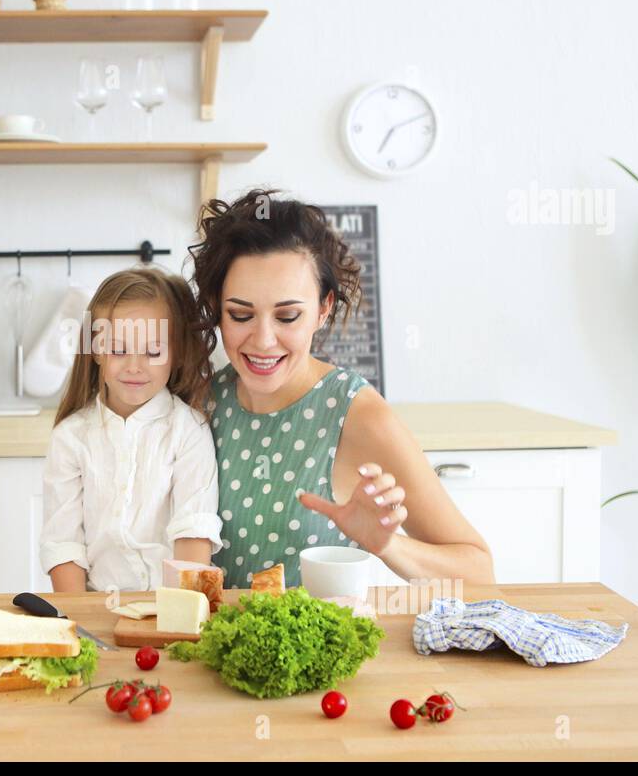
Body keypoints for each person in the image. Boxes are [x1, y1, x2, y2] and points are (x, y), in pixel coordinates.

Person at [188, 189, 494, 588]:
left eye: (288, 316)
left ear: (323, 308)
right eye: (241, 314)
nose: (263, 340)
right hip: (204, 648)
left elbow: (479, 571)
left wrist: (388, 546)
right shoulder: (203, 401)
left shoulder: (356, 415)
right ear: (217, 307)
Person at [40, 267, 222, 593]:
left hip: (171, 605)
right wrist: (78, 621)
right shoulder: (70, 437)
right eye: (119, 350)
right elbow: (63, 543)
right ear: (96, 350)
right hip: (94, 607)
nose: (135, 366)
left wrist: (177, 618)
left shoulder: (189, 431)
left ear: (175, 353)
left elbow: (193, 530)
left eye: (153, 352)